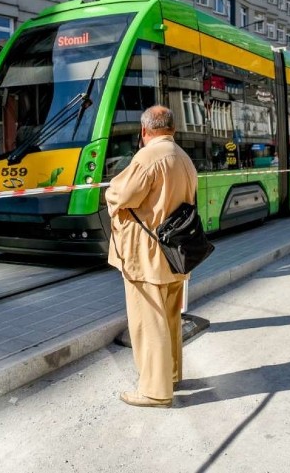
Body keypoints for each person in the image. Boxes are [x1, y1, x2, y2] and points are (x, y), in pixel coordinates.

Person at [105, 106, 198, 408]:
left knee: (149, 320)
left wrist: (111, 192)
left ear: (144, 131)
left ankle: (155, 391)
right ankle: (169, 374)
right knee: (170, 318)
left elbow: (121, 194)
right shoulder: (183, 157)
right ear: (172, 128)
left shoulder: (146, 157)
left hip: (146, 254)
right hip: (176, 251)